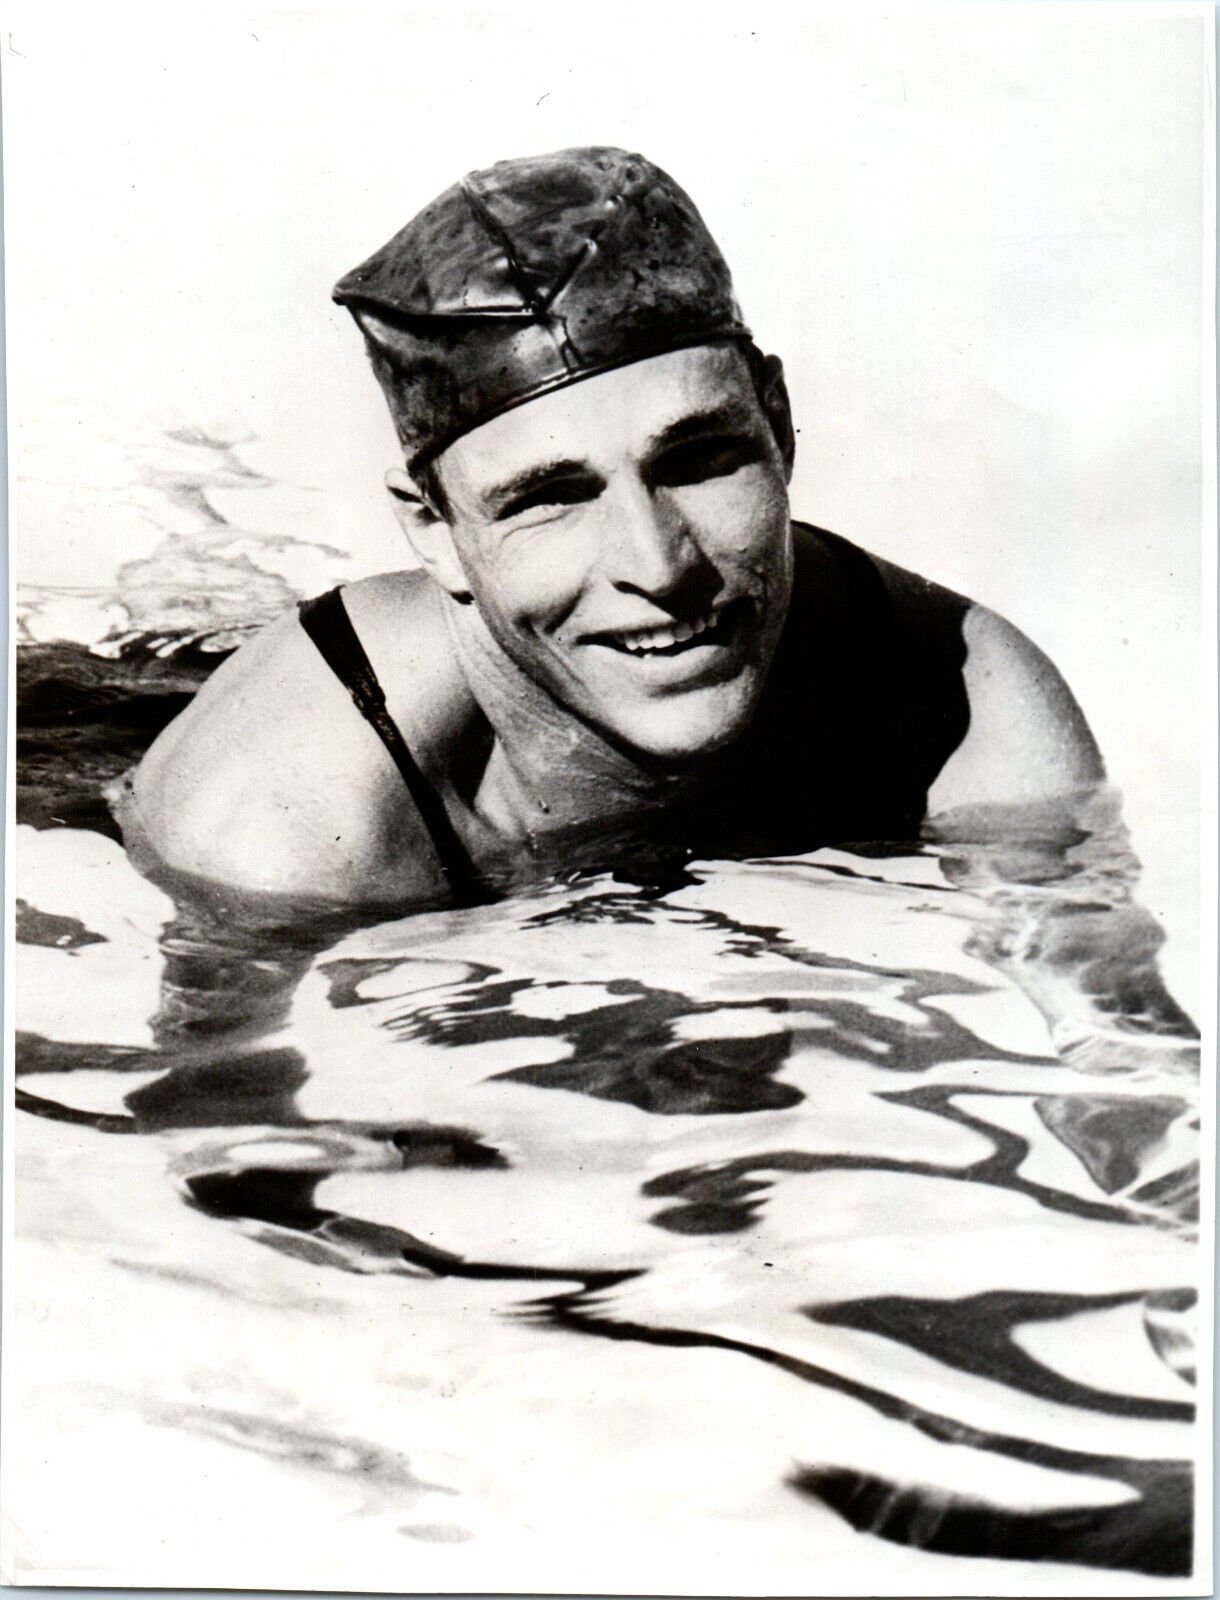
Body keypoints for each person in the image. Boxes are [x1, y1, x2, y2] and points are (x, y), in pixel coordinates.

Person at [124, 147, 1102, 912]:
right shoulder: (279, 823)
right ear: (431, 528)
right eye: (551, 496)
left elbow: (1128, 1081)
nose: (657, 564)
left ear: (777, 420)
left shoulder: (960, 707)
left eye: (698, 458)